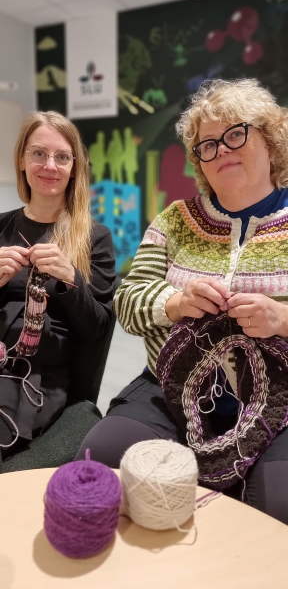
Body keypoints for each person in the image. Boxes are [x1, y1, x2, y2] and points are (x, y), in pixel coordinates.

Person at [76, 78, 288, 524]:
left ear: (271, 140)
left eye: (235, 133)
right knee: (101, 463)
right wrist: (172, 303)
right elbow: (127, 301)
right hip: (171, 387)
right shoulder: (177, 220)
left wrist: (282, 318)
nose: (221, 150)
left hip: (280, 400)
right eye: (206, 145)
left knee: (276, 507)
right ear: (199, 163)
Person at [0, 111, 115, 467]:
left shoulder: (94, 238)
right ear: (22, 159)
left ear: (74, 167)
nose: (50, 165)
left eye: (62, 157)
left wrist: (71, 280)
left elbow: (97, 328)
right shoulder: (2, 227)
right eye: (39, 153)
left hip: (37, 380)